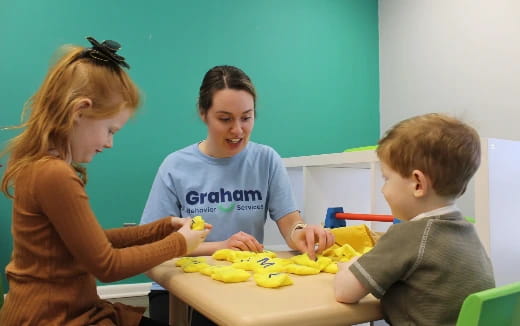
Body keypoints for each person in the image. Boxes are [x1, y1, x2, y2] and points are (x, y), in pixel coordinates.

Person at [0, 36, 210, 326]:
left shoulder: (44, 167)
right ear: (79, 111)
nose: (110, 143)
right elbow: (107, 265)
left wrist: (162, 228)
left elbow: (93, 243)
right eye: (110, 130)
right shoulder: (54, 174)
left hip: (58, 311)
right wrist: (178, 243)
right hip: (51, 318)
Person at [140, 65, 335, 324]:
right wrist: (220, 248)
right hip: (179, 288)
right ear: (203, 114)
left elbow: (291, 226)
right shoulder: (176, 166)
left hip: (245, 281)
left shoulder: (266, 159)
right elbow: (153, 249)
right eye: (225, 119)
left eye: (246, 117)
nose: (238, 130)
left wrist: (304, 234)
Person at [334, 113, 495, 325]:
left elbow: (344, 292)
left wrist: (348, 265)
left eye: (387, 178)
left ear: (418, 184)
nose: (383, 189)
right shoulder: (467, 231)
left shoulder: (409, 236)